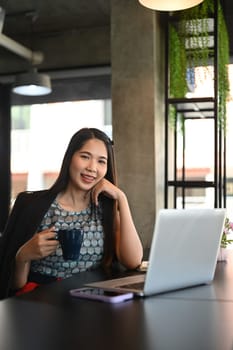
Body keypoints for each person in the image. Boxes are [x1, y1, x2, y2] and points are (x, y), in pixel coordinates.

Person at [0, 127, 143, 299]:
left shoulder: (106, 209)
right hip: (42, 302)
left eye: (101, 161)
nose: (92, 168)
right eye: (85, 157)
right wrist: (23, 256)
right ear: (69, 158)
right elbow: (14, 285)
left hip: (91, 301)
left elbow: (133, 261)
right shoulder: (33, 206)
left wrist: (121, 198)